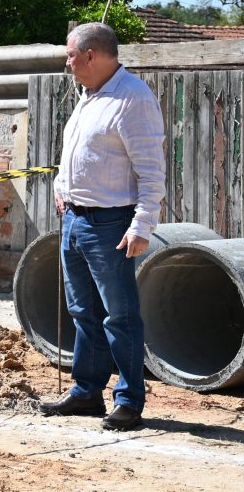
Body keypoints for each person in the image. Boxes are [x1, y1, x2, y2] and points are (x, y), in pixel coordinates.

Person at [39, 22, 166, 431]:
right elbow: (76, 153)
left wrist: (141, 225)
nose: (67, 63)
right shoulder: (89, 95)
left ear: (91, 55)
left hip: (111, 224)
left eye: (70, 55)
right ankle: (87, 392)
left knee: (120, 316)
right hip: (75, 220)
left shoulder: (132, 98)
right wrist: (61, 186)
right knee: (83, 312)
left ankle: (128, 401)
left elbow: (152, 171)